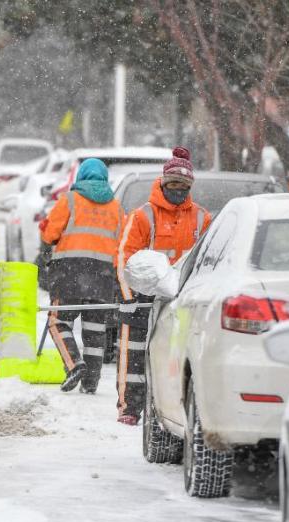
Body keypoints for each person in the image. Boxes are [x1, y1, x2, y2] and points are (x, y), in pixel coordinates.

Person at [116, 147, 210, 425]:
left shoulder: (203, 218)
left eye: (184, 185)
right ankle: (129, 407)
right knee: (133, 353)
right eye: (173, 184)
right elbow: (124, 256)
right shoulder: (142, 216)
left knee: (174, 357)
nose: (178, 189)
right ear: (163, 183)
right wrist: (127, 296)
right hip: (143, 297)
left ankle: (167, 408)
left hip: (182, 299)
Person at [39, 158, 124, 393]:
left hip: (69, 271)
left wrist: (45, 249)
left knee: (58, 321)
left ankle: (74, 363)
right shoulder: (116, 207)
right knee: (95, 329)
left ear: (81, 177)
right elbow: (122, 243)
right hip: (104, 275)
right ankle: (91, 383)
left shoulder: (69, 200)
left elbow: (50, 234)